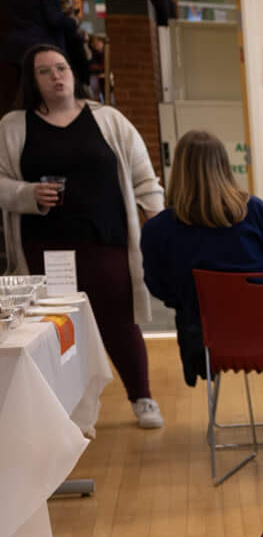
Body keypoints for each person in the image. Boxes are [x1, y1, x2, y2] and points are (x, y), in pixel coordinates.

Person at [140, 130, 263, 460]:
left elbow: (160, 290)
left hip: (210, 343)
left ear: (179, 171)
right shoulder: (254, 211)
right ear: (224, 167)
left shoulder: (157, 230)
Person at [0, 43, 166, 427]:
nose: (56, 77)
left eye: (61, 68)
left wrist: (158, 225)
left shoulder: (108, 120)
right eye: (45, 71)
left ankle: (142, 397)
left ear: (73, 73)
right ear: (33, 81)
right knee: (54, 330)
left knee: (119, 321)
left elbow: (144, 177)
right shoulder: (13, 126)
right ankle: (69, 410)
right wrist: (27, 194)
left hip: (104, 243)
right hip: (43, 248)